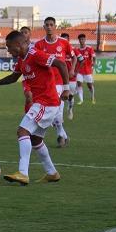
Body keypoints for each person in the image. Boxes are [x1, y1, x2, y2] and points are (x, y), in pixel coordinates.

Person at [0, 31, 69, 185]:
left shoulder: (35, 55)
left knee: (22, 131)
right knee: (35, 139)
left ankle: (23, 173)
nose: (8, 50)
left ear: (18, 45)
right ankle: (52, 173)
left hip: (47, 102)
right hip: (44, 103)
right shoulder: (22, 59)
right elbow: (13, 78)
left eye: (9, 47)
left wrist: (66, 89)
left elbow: (60, 63)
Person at [34, 17, 72, 147]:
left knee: (57, 111)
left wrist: (71, 72)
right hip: (46, 84)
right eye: (47, 25)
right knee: (54, 112)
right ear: (44, 27)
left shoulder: (64, 43)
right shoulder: (39, 45)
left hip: (60, 83)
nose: (49, 27)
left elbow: (73, 58)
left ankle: (61, 135)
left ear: (55, 26)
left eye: (51, 25)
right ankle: (62, 134)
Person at [60, 33, 79, 120]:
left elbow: (81, 60)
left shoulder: (73, 50)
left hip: (71, 78)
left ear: (68, 40)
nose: (64, 41)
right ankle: (59, 117)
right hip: (60, 77)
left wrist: (75, 71)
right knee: (59, 97)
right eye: (62, 39)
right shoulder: (59, 50)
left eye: (65, 39)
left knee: (70, 96)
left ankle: (70, 109)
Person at [74, 34, 96, 104]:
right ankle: (81, 100)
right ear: (79, 40)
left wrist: (94, 62)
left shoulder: (89, 48)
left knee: (89, 85)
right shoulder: (77, 49)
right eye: (80, 39)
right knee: (79, 84)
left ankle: (92, 97)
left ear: (85, 40)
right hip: (79, 70)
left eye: (83, 39)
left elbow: (94, 57)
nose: (81, 41)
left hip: (87, 70)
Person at [19, 26, 33, 113]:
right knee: (29, 96)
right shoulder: (19, 47)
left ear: (30, 34)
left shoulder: (36, 46)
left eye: (25, 32)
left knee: (37, 99)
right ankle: (27, 116)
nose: (23, 34)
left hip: (37, 77)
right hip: (26, 76)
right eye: (21, 33)